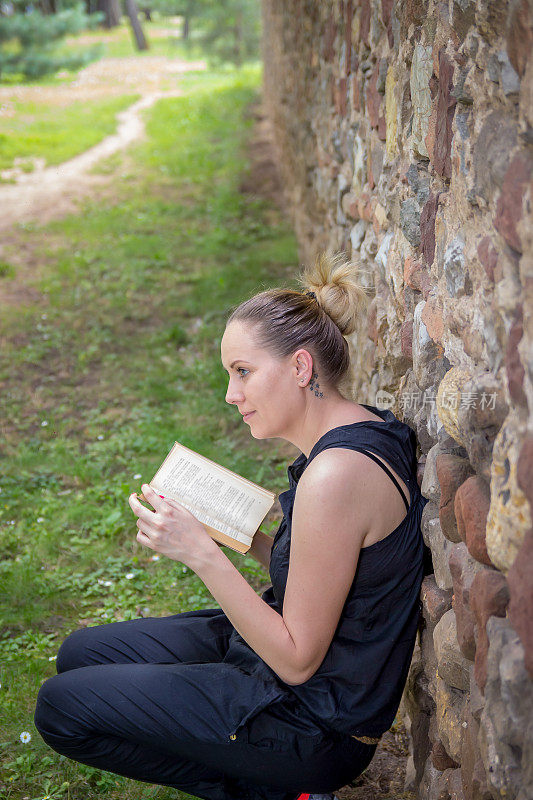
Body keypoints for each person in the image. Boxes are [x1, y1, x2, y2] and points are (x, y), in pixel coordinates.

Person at [34, 251, 428, 800]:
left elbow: (296, 659)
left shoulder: (335, 475)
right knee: (80, 654)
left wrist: (201, 554)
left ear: (299, 367)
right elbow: (335, 573)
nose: (230, 394)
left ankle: (266, 788)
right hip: (279, 665)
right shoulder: (361, 428)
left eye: (243, 372)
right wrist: (244, 537)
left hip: (310, 724)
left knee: (59, 709)